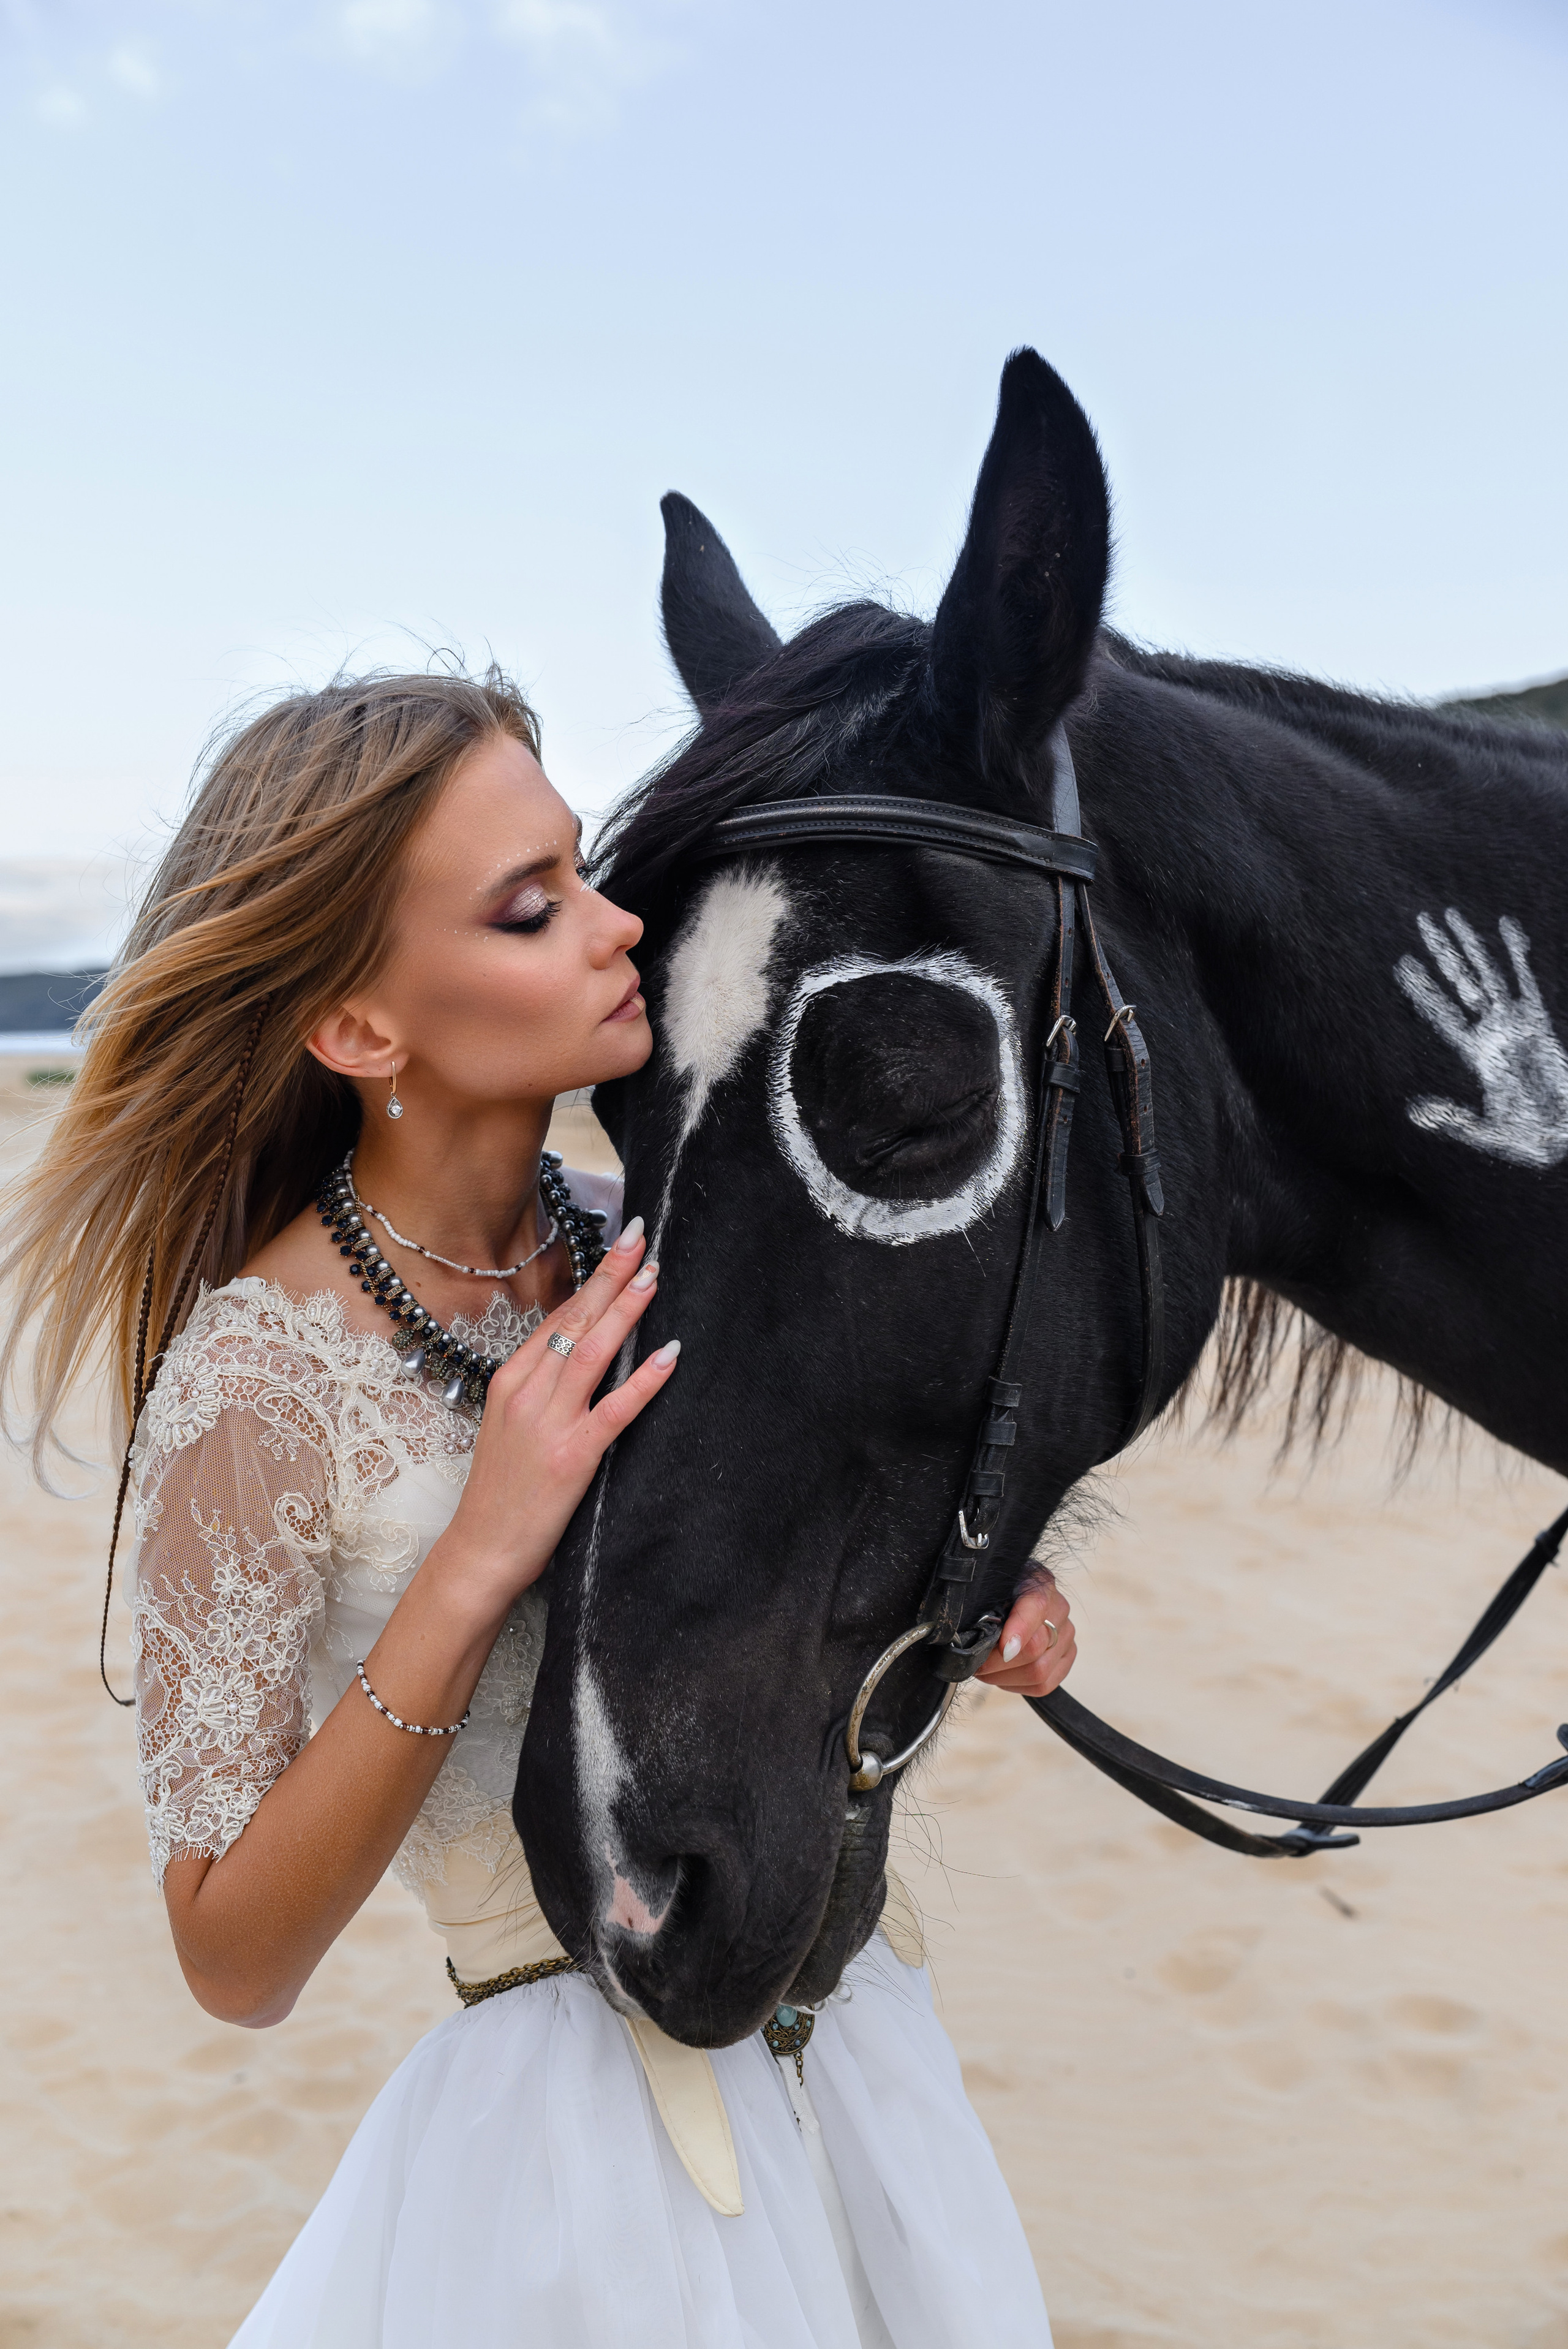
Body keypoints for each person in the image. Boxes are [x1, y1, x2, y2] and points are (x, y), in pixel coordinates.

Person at [1, 668, 1079, 2348]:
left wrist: (965, 1612)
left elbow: (777, 1632)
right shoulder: (256, 1386)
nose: (613, 924)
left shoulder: (665, 1237)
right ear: (363, 1027)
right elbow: (231, 1952)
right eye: (533, 907)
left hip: (863, 2067)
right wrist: (478, 1551)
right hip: (575, 2183)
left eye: (584, 867)